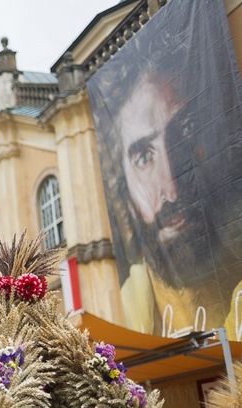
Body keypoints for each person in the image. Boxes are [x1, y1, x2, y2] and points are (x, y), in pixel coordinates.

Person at [87, 0, 242, 336]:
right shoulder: (135, 305)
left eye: (185, 131)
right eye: (144, 156)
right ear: (122, 188)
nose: (172, 187)